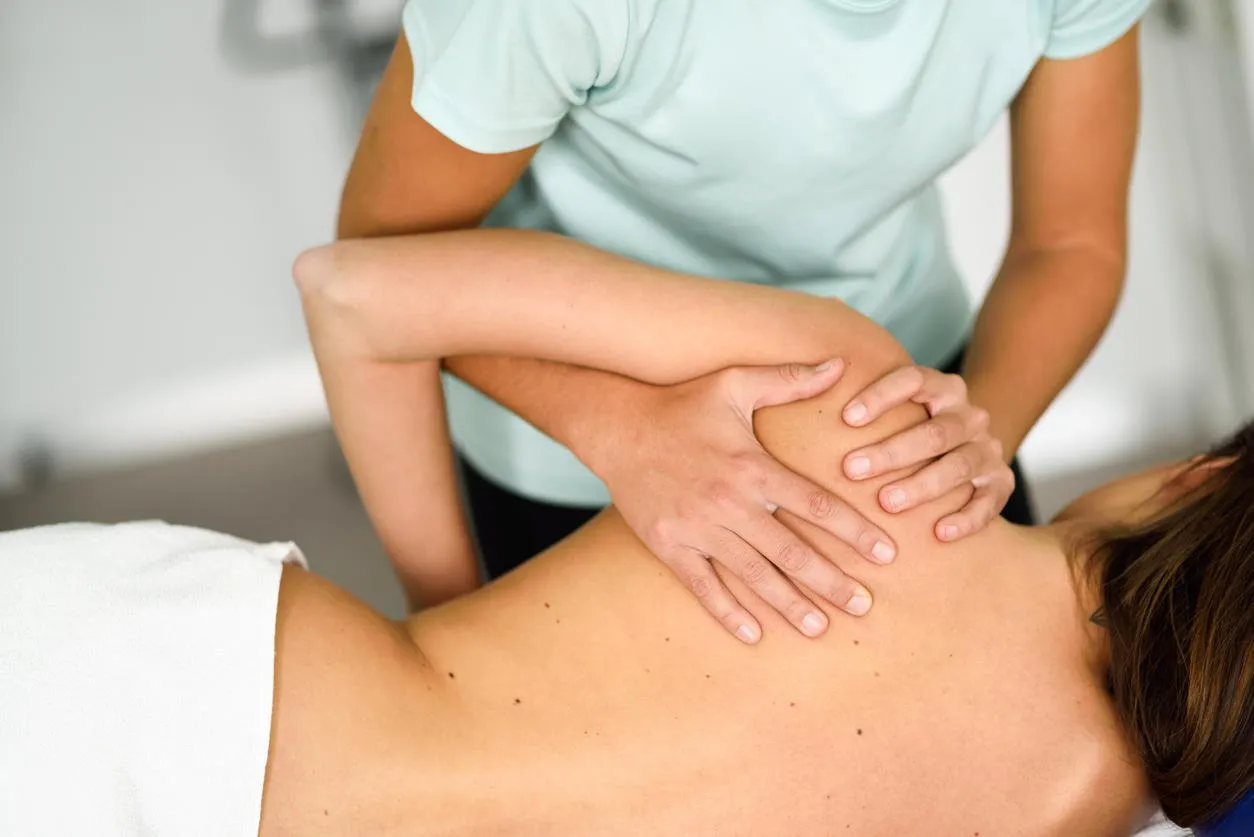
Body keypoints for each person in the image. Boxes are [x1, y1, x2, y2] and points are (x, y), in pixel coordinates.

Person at [10, 230, 1247, 836]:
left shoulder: (862, 403)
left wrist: (453, 608)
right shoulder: (1068, 813)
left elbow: (355, 293)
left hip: (134, 686)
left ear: (1196, 481)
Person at [336, 0, 1149, 637]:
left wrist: (964, 449)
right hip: (575, 432)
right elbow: (384, 264)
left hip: (915, 397)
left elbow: (1069, 241)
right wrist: (615, 426)